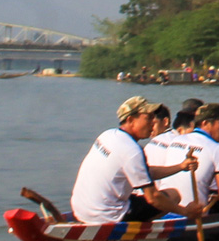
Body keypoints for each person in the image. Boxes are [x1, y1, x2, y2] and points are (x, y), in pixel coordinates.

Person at [69, 95, 201, 224]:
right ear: (131, 120)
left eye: (153, 118)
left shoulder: (107, 135)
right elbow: (153, 198)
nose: (153, 122)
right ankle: (140, 231)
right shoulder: (132, 150)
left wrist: (181, 167)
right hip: (107, 217)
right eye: (148, 118)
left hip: (79, 209)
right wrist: (186, 212)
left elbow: (146, 172)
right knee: (174, 195)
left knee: (150, 198)